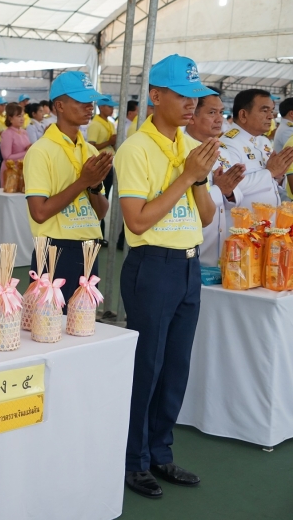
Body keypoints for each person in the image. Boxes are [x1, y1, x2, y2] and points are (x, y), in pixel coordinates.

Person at [116, 54, 218, 499]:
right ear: (156, 96)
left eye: (196, 96)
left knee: (175, 367)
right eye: (182, 95)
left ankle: (161, 451)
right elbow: (136, 222)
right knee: (147, 368)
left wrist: (198, 177)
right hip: (152, 266)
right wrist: (187, 176)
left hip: (188, 265)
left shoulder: (184, 146)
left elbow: (209, 216)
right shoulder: (135, 149)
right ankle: (133, 460)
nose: (192, 105)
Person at [24, 72, 111, 306]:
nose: (89, 106)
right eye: (81, 101)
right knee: (49, 329)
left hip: (89, 249)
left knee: (82, 326)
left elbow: (100, 212)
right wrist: (83, 181)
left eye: (91, 101)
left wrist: (94, 186)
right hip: (55, 250)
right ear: (59, 106)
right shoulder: (41, 151)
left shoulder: (90, 151)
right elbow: (39, 212)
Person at [187, 87, 246, 267]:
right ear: (191, 116)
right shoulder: (183, 152)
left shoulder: (222, 152)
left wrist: (227, 193)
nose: (219, 119)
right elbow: (183, 200)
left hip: (219, 246)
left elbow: (237, 196)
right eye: (212, 112)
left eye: (221, 112)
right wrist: (219, 190)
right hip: (192, 247)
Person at [221, 89, 293, 211]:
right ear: (243, 115)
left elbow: (274, 183)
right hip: (242, 225)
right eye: (264, 110)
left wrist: (279, 176)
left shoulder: (263, 141)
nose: (271, 116)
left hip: (267, 222)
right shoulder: (228, 143)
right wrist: (270, 172)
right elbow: (230, 187)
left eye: (271, 111)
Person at [87, 94, 118, 245]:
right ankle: (95, 234)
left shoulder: (110, 123)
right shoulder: (95, 124)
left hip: (108, 164)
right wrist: (109, 141)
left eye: (112, 106)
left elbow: (112, 143)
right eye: (109, 106)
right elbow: (91, 146)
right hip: (99, 166)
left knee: (103, 200)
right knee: (96, 198)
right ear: (100, 107)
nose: (112, 109)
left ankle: (100, 234)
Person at [0, 102, 32, 185]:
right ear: (10, 118)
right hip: (11, 171)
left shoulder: (24, 132)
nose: (22, 119)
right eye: (19, 116)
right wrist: (27, 152)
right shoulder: (7, 133)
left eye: (22, 115)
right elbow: (7, 157)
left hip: (23, 169)